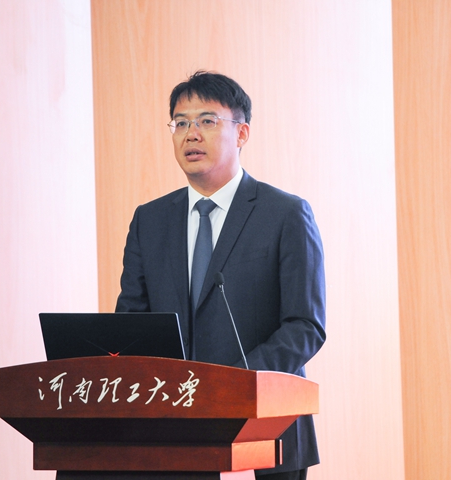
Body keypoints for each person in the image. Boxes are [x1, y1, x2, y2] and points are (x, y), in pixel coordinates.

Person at [115, 71, 326, 480]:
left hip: (267, 429)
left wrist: (230, 385)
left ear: (242, 133)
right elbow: (131, 325)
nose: (191, 134)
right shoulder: (149, 221)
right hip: (172, 432)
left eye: (207, 121)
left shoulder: (284, 214)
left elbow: (305, 327)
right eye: (181, 123)